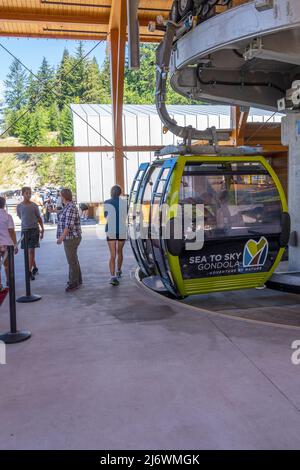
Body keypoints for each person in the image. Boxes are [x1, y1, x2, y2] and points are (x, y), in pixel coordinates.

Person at [54, 188, 82, 292]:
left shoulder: (70, 207)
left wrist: (61, 238)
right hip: (71, 237)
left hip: (71, 238)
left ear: (64, 196)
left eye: (60, 196)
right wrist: (54, 211)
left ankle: (73, 283)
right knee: (74, 259)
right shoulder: (68, 206)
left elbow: (68, 226)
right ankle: (78, 280)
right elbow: (63, 212)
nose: (59, 197)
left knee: (72, 261)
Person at [17, 187, 44, 280]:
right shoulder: (19, 206)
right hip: (24, 231)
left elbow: (39, 218)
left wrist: (42, 230)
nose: (29, 195)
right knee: (28, 252)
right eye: (27, 193)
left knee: (31, 251)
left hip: (34, 230)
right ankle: (35, 268)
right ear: (23, 194)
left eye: (30, 193)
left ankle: (28, 272)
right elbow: (21, 217)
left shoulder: (34, 206)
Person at [104, 185, 127, 286]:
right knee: (120, 251)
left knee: (112, 255)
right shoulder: (124, 203)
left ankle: (113, 277)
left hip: (111, 230)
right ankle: (119, 270)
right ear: (120, 192)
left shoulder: (107, 202)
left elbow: (106, 216)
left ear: (111, 192)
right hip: (122, 229)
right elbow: (125, 216)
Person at [0, 197, 18, 290]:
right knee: (7, 265)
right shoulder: (8, 216)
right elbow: (11, 231)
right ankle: (8, 282)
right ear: (4, 204)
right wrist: (15, 244)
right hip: (7, 243)